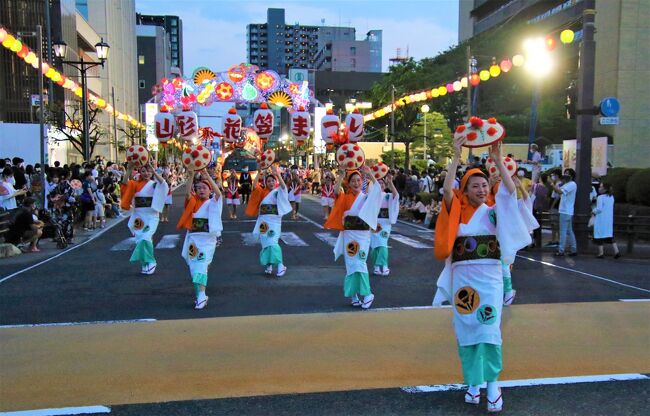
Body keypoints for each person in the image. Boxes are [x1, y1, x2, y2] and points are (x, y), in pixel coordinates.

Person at [433, 136, 530, 413]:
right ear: (465, 190)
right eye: (474, 185)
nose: (480, 188)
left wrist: (498, 160)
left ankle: (493, 385)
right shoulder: (456, 213)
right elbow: (446, 192)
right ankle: (474, 383)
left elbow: (512, 196)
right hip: (463, 281)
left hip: (489, 280)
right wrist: (455, 156)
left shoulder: (493, 212)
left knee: (489, 329)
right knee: (468, 330)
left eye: (484, 185)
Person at [325, 165, 382, 309]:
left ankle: (368, 293)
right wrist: (341, 175)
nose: (356, 183)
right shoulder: (345, 197)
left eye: (358, 180)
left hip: (363, 236)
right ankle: (354, 295)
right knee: (351, 265)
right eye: (353, 181)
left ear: (361, 181)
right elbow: (336, 191)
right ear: (349, 184)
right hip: (349, 235)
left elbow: (377, 190)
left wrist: (370, 174)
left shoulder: (366, 198)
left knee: (360, 263)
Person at [177, 169, 223, 309]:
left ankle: (202, 296)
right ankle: (200, 295)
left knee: (200, 266)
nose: (201, 190)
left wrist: (207, 176)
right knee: (195, 268)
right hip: (193, 240)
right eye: (198, 188)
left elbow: (219, 194)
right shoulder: (192, 202)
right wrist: (191, 175)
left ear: (209, 190)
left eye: (204, 188)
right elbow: (187, 194)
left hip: (208, 241)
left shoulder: (212, 203)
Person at [120, 161, 169, 275]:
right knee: (140, 239)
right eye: (143, 171)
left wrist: (153, 168)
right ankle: (144, 264)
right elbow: (124, 184)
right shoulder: (135, 184)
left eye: (148, 171)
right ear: (140, 172)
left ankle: (151, 261)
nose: (146, 173)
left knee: (146, 236)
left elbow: (163, 184)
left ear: (151, 171)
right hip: (138, 215)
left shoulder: (154, 184)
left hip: (151, 215)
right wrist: (129, 169)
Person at [245, 165, 291, 277]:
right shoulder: (262, 191)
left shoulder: (277, 191)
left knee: (273, 242)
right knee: (265, 243)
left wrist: (278, 174)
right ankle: (269, 265)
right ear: (265, 182)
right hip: (263, 221)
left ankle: (281, 265)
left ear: (275, 182)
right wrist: (259, 171)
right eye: (268, 181)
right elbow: (254, 186)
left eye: (272, 181)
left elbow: (284, 187)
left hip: (274, 220)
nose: (270, 183)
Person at [369, 174, 399, 276]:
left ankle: (384, 266)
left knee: (382, 243)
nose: (380, 185)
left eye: (382, 183)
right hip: (374, 223)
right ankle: (376, 267)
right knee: (375, 245)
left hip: (385, 224)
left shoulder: (388, 196)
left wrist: (391, 182)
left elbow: (396, 196)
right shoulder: (371, 196)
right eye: (378, 183)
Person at [552, 168, 578, 256]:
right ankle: (574, 249)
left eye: (568, 173)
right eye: (565, 173)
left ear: (572, 175)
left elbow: (559, 191)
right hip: (567, 211)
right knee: (570, 231)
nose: (565, 175)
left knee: (563, 231)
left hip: (565, 211)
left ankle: (561, 250)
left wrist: (552, 184)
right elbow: (559, 191)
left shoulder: (572, 184)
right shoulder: (568, 184)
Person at [593, 182, 620, 259]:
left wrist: (593, 211)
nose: (599, 188)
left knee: (599, 236)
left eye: (601, 187)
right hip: (608, 219)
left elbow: (599, 209)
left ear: (604, 189)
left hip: (601, 219)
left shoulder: (600, 197)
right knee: (609, 236)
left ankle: (601, 253)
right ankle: (616, 251)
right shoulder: (611, 197)